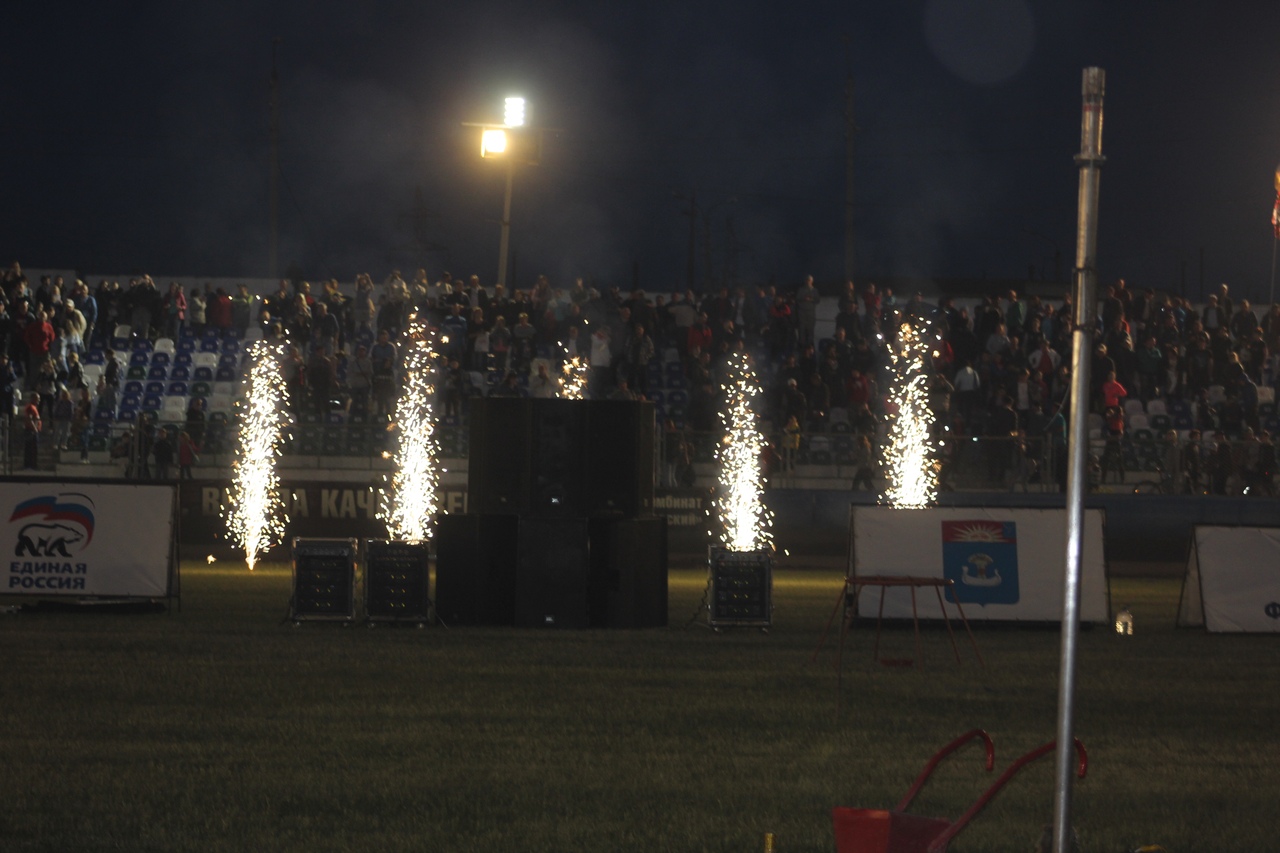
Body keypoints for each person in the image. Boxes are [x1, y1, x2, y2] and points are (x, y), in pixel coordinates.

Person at [22, 391, 41, 469]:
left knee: (32, 448)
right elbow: (29, 418)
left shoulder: (34, 407)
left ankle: (31, 464)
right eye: (37, 398)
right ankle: (30, 465)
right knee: (31, 448)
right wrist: (35, 428)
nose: (39, 400)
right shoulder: (30, 407)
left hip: (33, 430)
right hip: (31, 431)